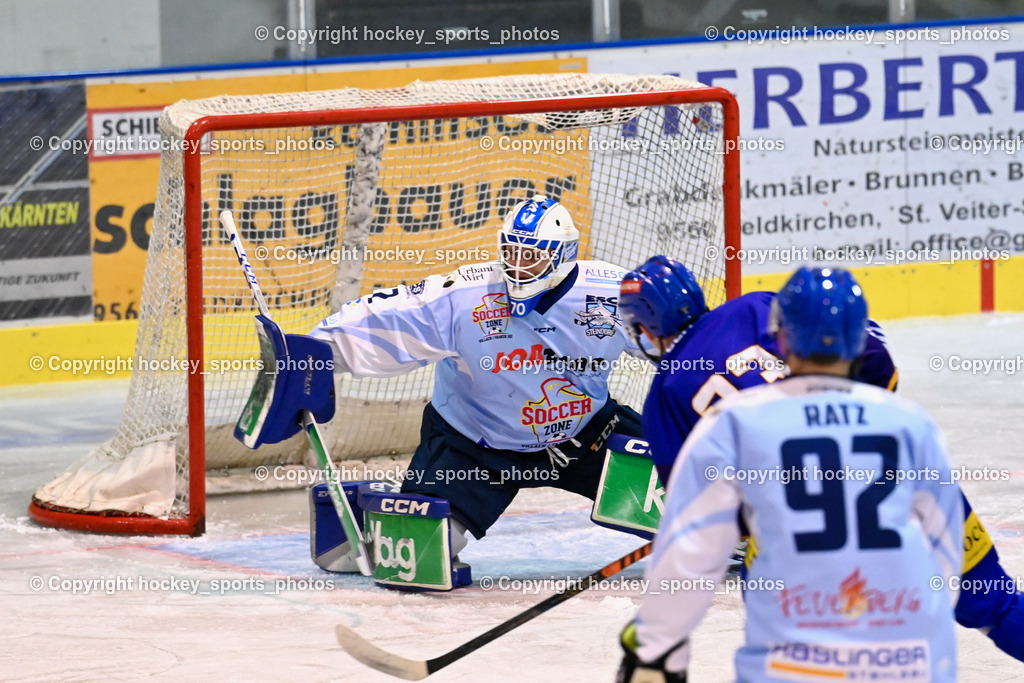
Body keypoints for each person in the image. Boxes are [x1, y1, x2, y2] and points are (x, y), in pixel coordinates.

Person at [617, 256, 1024, 663]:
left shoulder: (670, 395)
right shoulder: (758, 305)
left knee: (803, 648)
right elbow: (882, 369)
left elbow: (712, 519)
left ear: (646, 326)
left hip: (798, 540)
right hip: (888, 475)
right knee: (995, 604)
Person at [299, 195, 645, 587]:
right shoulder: (464, 294)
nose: (518, 265)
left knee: (693, 498)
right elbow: (389, 318)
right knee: (416, 564)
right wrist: (311, 354)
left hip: (587, 436)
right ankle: (365, 508)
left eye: (532, 256)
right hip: (476, 447)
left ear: (562, 255)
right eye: (511, 252)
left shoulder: (611, 293)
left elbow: (677, 346)